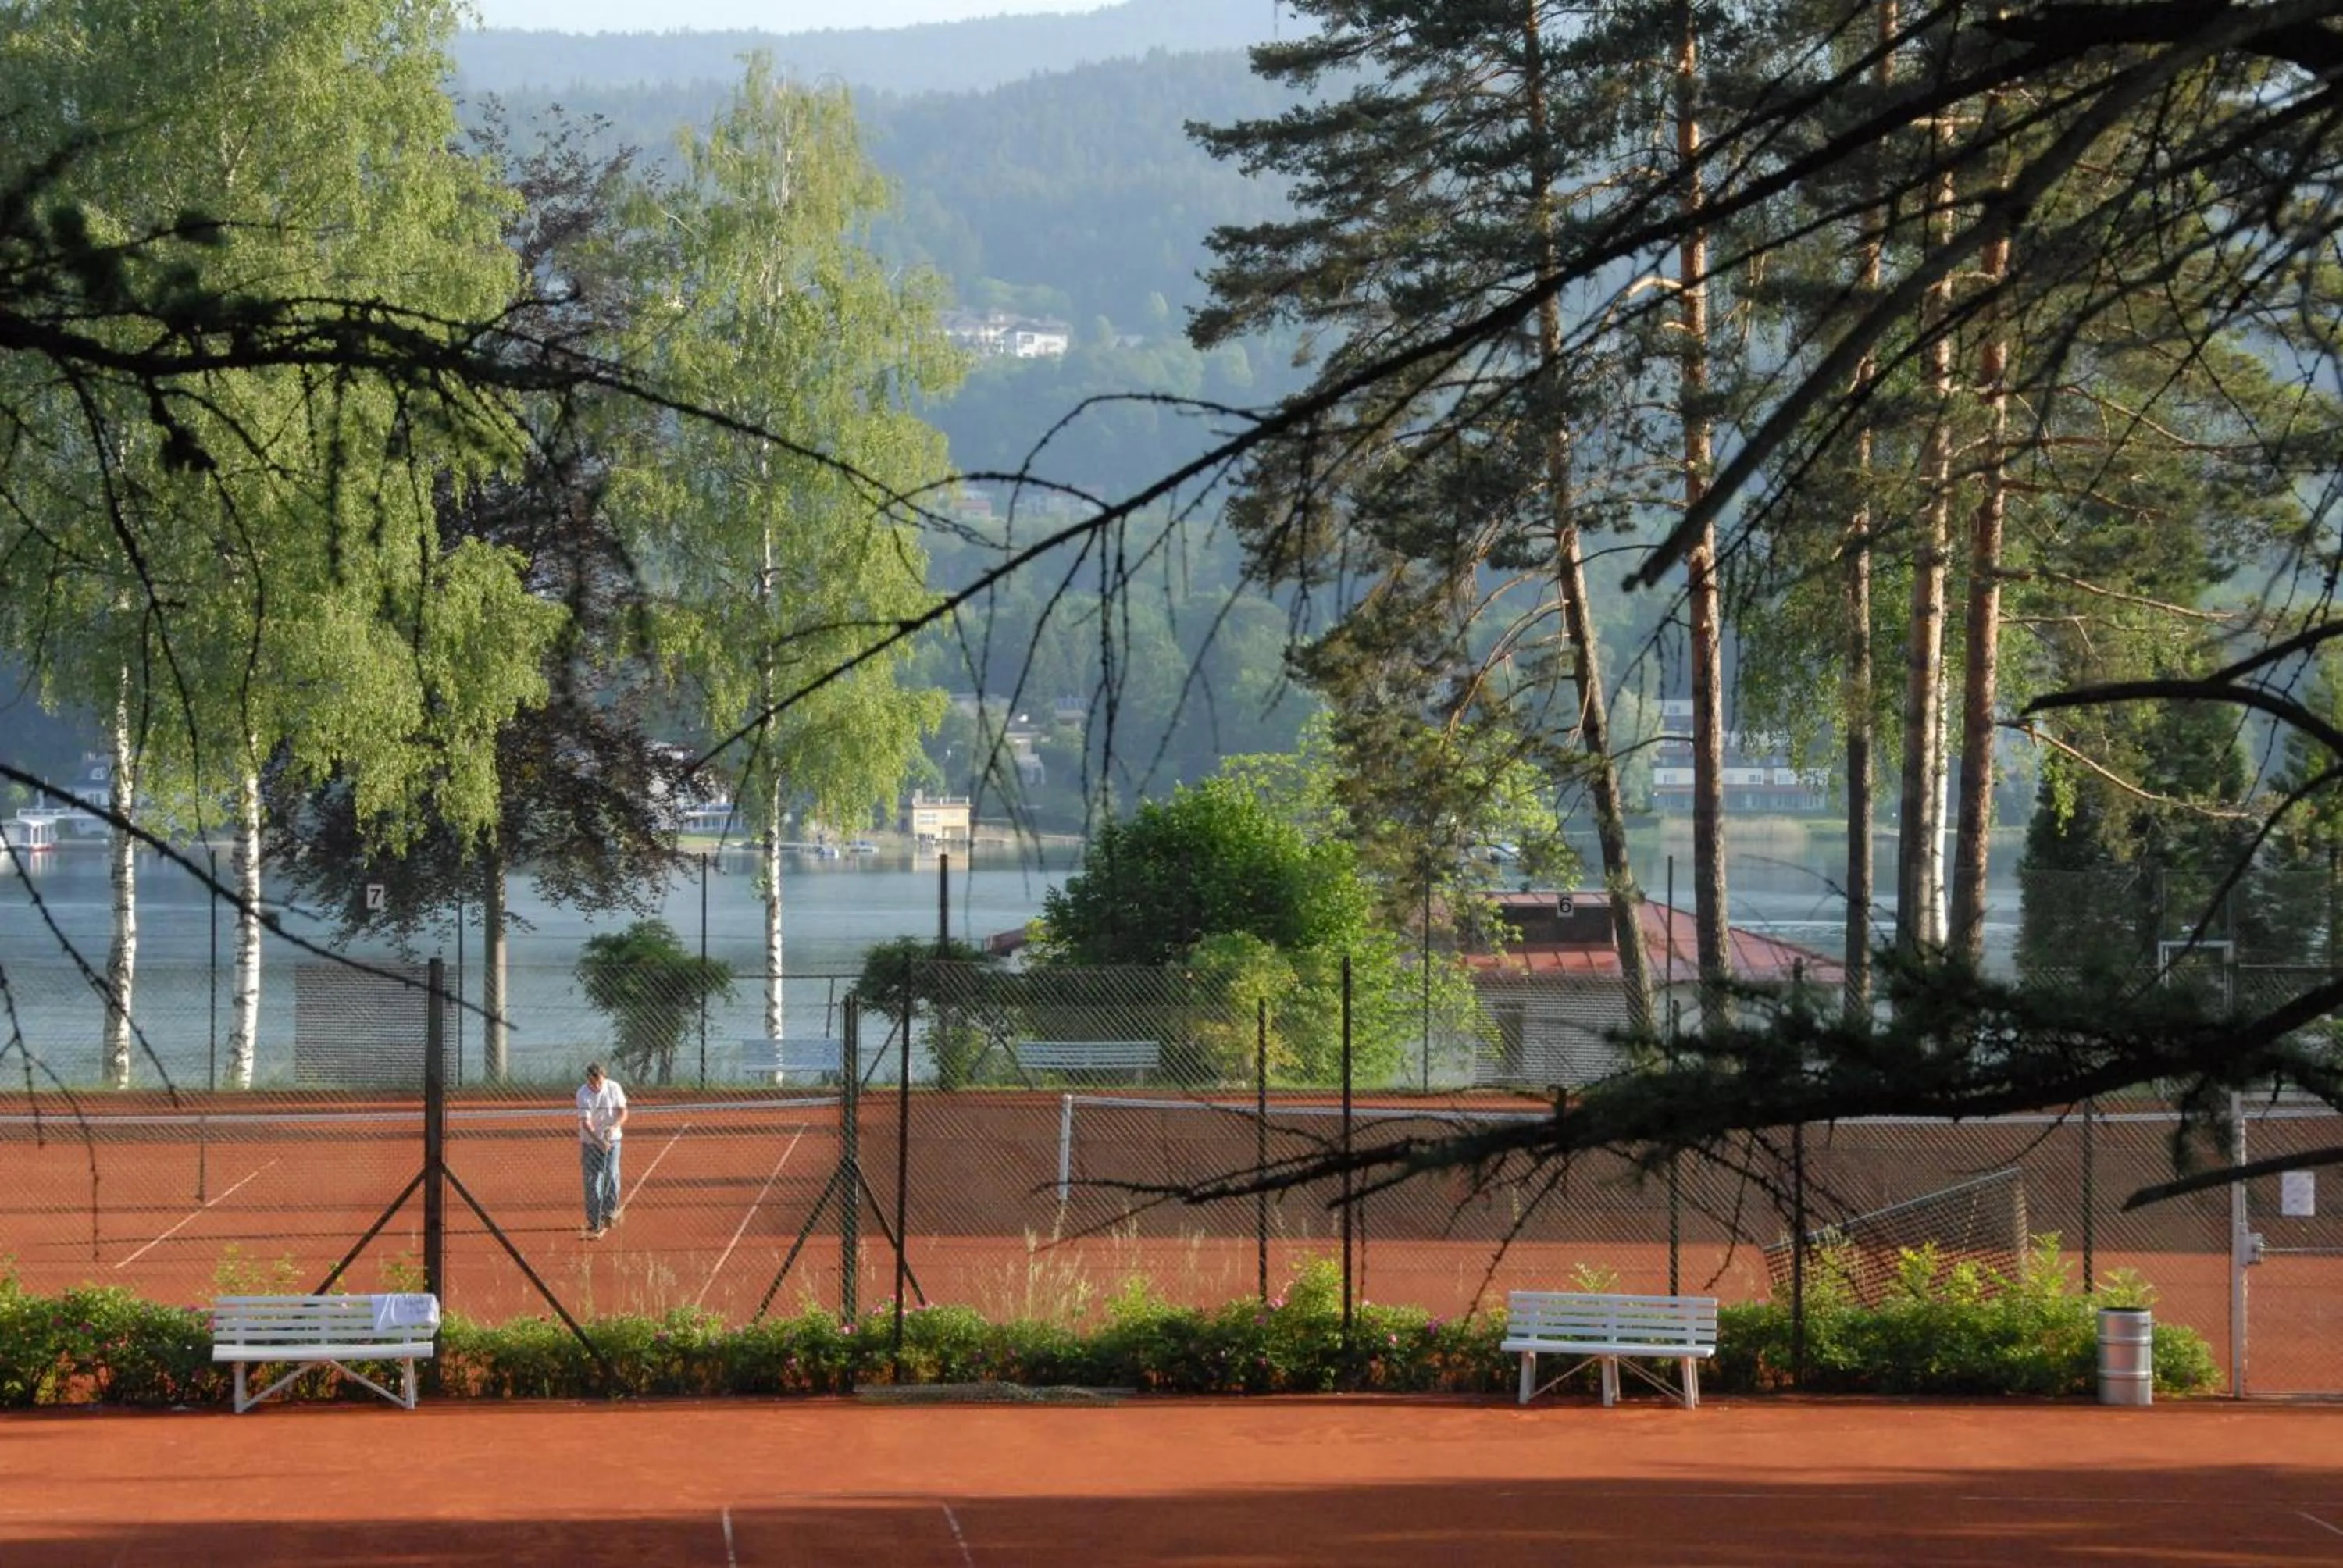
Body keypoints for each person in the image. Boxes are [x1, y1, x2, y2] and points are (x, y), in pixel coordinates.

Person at [575, 1061, 628, 1238]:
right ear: (588, 1079)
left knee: (611, 1175)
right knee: (592, 1180)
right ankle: (594, 1219)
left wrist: (614, 1128)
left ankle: (610, 1211)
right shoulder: (582, 1094)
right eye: (592, 1081)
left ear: (604, 1077)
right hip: (590, 1142)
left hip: (613, 1141)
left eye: (599, 1081)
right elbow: (586, 1123)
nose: (596, 1085)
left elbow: (623, 1112)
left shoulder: (614, 1088)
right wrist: (598, 1142)